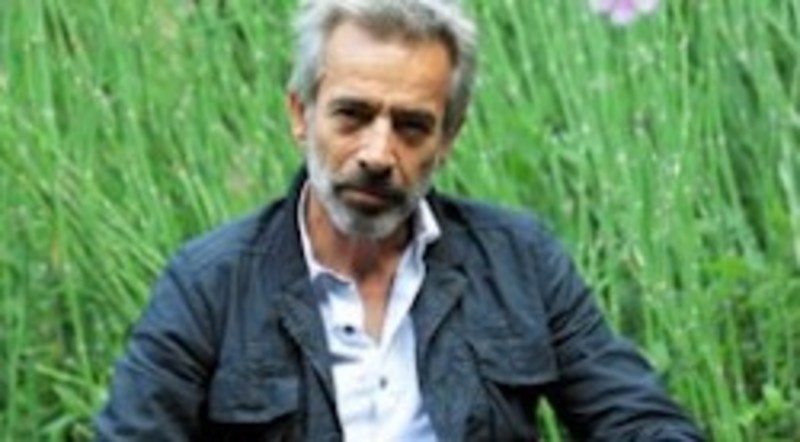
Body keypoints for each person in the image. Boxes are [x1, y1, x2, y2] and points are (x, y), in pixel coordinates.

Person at [95, 0, 705, 440]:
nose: (378, 154)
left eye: (411, 126)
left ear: (448, 138)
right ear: (301, 114)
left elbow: (639, 420)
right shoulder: (209, 284)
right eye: (352, 115)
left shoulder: (518, 259)